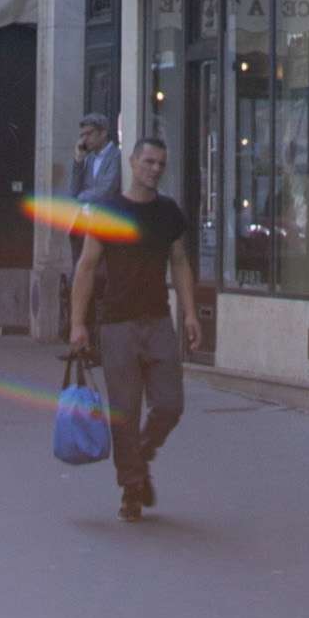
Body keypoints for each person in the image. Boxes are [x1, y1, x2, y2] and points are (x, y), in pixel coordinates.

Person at [62, 134, 207, 518]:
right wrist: (77, 324)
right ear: (132, 162)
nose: (155, 169)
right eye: (149, 162)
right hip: (117, 325)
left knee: (170, 404)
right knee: (124, 410)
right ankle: (131, 488)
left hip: (158, 320)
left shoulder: (168, 212)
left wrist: (190, 313)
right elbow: (87, 267)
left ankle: (139, 457)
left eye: (161, 164)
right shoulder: (107, 210)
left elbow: (179, 262)